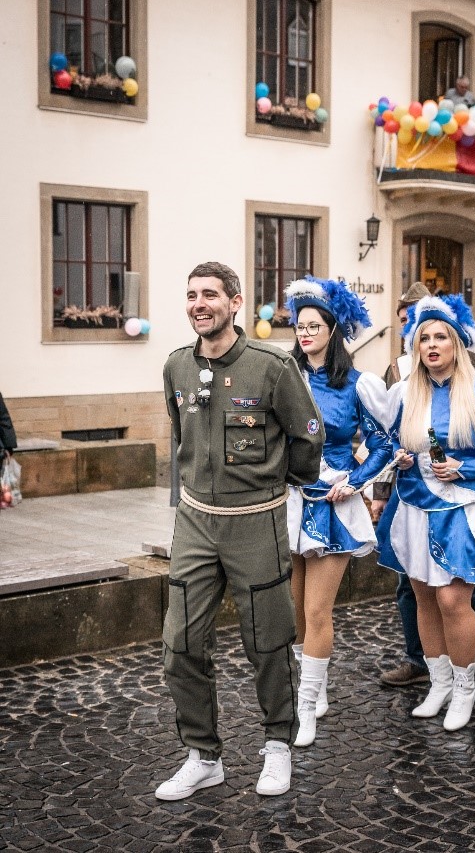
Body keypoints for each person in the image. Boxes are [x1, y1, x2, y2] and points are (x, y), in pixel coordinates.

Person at [157, 261, 324, 801]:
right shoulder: (176, 367)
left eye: (209, 294)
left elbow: (307, 440)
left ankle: (279, 746)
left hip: (256, 524)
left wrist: (271, 490)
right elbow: (180, 439)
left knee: (268, 643)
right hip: (195, 525)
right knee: (179, 644)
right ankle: (203, 756)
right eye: (190, 295)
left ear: (235, 302)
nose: (198, 303)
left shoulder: (271, 367)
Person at [376, 294, 475, 731]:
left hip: (465, 507)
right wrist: (398, 459)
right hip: (415, 505)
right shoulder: (403, 394)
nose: (433, 345)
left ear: (457, 343)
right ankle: (437, 682)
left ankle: (463, 689)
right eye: (425, 338)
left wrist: (465, 467)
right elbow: (387, 446)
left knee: (453, 598)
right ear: (415, 346)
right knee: (422, 595)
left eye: (441, 337)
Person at [284, 276, 391, 747]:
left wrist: (356, 481)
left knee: (317, 608)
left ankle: (305, 708)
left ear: (333, 329)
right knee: (296, 611)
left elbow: (385, 444)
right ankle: (315, 686)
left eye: (313, 325)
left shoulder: (357, 385)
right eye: (299, 325)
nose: (304, 333)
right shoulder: (283, 375)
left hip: (333, 506)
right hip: (288, 504)